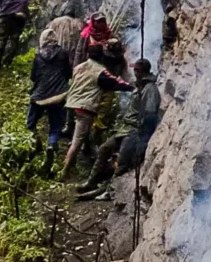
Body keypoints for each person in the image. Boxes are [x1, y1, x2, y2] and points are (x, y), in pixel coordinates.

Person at [80, 57, 160, 195]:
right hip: (124, 128)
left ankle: (109, 190)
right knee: (104, 149)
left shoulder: (150, 89)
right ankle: (91, 182)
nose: (134, 72)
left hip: (135, 130)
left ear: (141, 71)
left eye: (136, 70)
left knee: (122, 162)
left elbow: (150, 113)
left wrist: (142, 134)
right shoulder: (138, 86)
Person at [61, 40, 131, 180]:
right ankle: (64, 172)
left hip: (71, 103)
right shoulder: (100, 71)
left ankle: (87, 155)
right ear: (102, 56)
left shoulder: (79, 66)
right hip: (85, 107)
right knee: (77, 141)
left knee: (84, 134)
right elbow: (115, 83)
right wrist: (132, 87)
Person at [27, 38, 72, 166]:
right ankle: (51, 145)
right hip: (58, 96)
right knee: (56, 126)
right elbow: (68, 73)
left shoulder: (38, 55)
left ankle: (36, 144)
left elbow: (33, 77)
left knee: (30, 124)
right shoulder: (63, 54)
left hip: (39, 96)